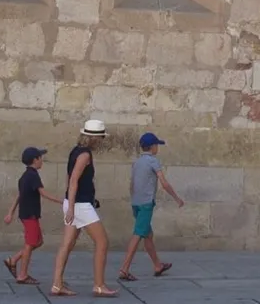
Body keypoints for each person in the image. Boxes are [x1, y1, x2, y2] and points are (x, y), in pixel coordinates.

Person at [50, 119, 118, 298]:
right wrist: (72, 207)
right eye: (101, 138)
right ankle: (99, 285)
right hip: (79, 205)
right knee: (102, 242)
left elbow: (69, 178)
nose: (102, 141)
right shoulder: (85, 155)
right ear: (94, 138)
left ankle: (57, 284)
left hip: (74, 203)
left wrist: (68, 202)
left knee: (67, 244)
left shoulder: (75, 151)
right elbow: (74, 180)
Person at [118, 133, 184, 281]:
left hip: (136, 203)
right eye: (156, 145)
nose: (157, 148)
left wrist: (134, 198)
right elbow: (164, 183)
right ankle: (124, 269)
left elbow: (131, 184)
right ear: (152, 146)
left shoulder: (137, 162)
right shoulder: (153, 161)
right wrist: (176, 198)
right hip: (146, 204)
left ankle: (157, 265)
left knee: (148, 235)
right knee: (138, 234)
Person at [3, 147, 61, 285]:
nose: (42, 160)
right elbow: (43, 193)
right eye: (40, 157)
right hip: (30, 215)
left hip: (27, 213)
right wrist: (62, 201)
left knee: (38, 242)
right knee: (30, 244)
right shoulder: (33, 176)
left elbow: (19, 195)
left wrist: (10, 212)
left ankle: (13, 259)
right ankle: (22, 275)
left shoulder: (24, 176)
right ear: (35, 160)